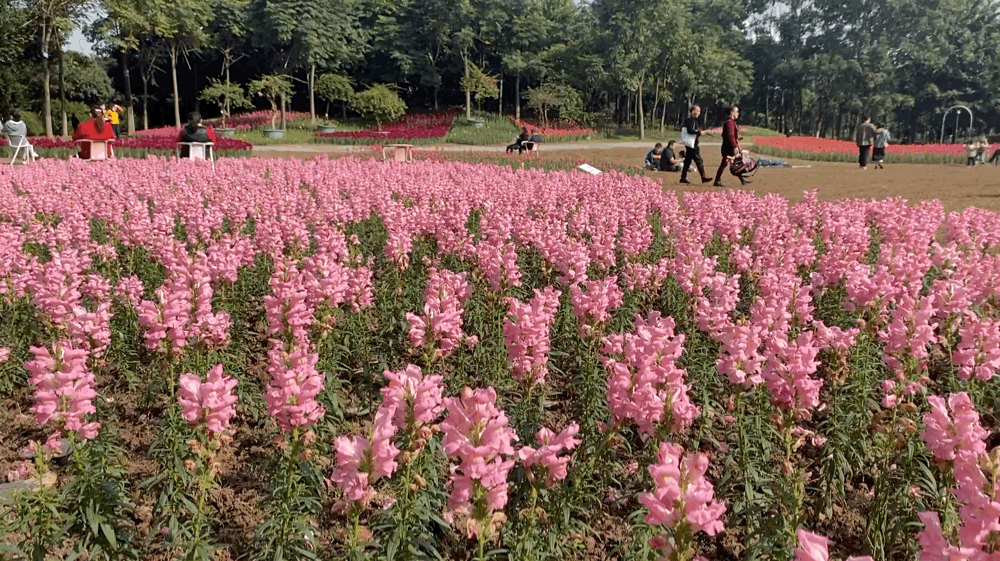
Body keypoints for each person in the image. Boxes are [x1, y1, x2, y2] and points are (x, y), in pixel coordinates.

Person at [713, 105, 750, 186]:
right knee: (725, 164)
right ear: (732, 112)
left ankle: (742, 180)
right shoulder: (730, 122)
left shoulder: (731, 122)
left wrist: (737, 138)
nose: (738, 113)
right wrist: (735, 147)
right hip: (728, 147)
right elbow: (730, 136)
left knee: (734, 163)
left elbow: (731, 135)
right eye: (736, 112)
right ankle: (717, 181)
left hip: (729, 146)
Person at [679, 105, 713, 184]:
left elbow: (693, 130)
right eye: (698, 111)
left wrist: (700, 132)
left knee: (687, 161)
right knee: (699, 160)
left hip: (691, 144)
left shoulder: (691, 120)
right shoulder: (690, 120)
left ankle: (683, 178)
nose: (699, 113)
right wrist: (699, 132)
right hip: (692, 145)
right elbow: (690, 131)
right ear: (693, 111)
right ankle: (703, 177)